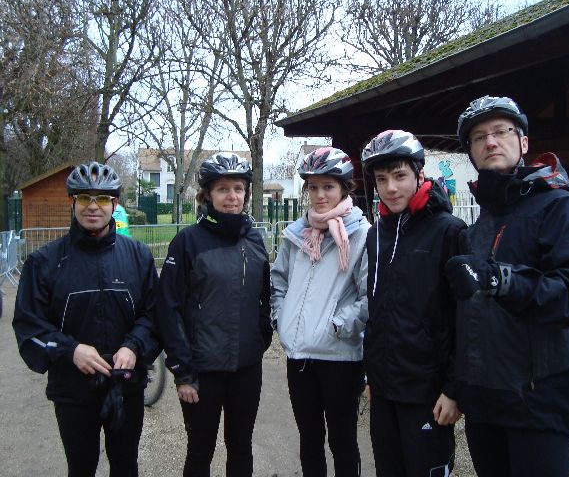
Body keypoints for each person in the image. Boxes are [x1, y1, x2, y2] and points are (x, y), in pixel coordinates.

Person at [445, 96, 569, 477]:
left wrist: (500, 279)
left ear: (524, 142)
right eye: (478, 137)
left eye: (501, 131)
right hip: (485, 403)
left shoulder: (562, 209)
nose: (490, 142)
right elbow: (466, 319)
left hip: (540, 403)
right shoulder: (478, 227)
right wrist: (458, 385)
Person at [13, 162, 159, 477]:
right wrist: (71, 350)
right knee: (81, 468)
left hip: (125, 386)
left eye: (102, 198)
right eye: (84, 198)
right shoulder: (44, 262)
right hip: (73, 391)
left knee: (126, 467)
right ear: (72, 201)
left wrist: (134, 346)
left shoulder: (138, 257)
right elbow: (28, 326)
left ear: (115, 204)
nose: (93, 206)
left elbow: (154, 314)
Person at [156, 152, 272, 477]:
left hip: (246, 368)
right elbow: (168, 308)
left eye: (238, 188)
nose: (232, 196)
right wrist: (182, 371)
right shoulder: (187, 242)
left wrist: (261, 338)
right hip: (202, 372)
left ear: (247, 193)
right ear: (207, 195)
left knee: (241, 447)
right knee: (200, 451)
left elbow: (264, 297)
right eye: (223, 189)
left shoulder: (255, 239)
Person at [361, 130, 466, 477]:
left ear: (420, 174)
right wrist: (372, 374)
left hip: (427, 393)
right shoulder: (376, 234)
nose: (391, 188)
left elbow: (464, 317)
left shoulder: (449, 231)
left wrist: (453, 389)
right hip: (384, 390)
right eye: (381, 179)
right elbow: (377, 310)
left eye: (399, 176)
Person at [271, 147, 370, 477]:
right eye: (313, 187)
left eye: (328, 186)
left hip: (339, 357)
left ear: (344, 189)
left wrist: (338, 326)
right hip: (300, 357)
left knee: (343, 441)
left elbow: (369, 296)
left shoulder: (361, 234)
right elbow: (279, 281)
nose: (319, 195)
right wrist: (281, 319)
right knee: (309, 439)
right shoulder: (296, 233)